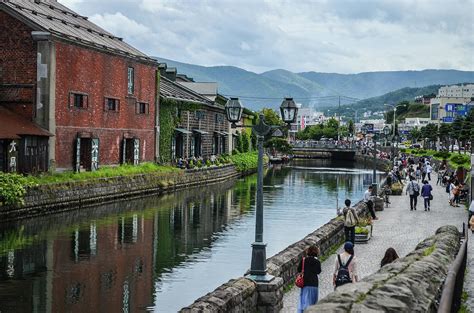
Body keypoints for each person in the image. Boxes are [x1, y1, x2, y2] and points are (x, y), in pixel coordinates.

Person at [297, 246, 322, 312]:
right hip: (314, 284)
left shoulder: (304, 260)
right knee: (313, 302)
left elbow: (299, 269)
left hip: (305, 283)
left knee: (304, 301)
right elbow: (318, 271)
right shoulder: (317, 261)